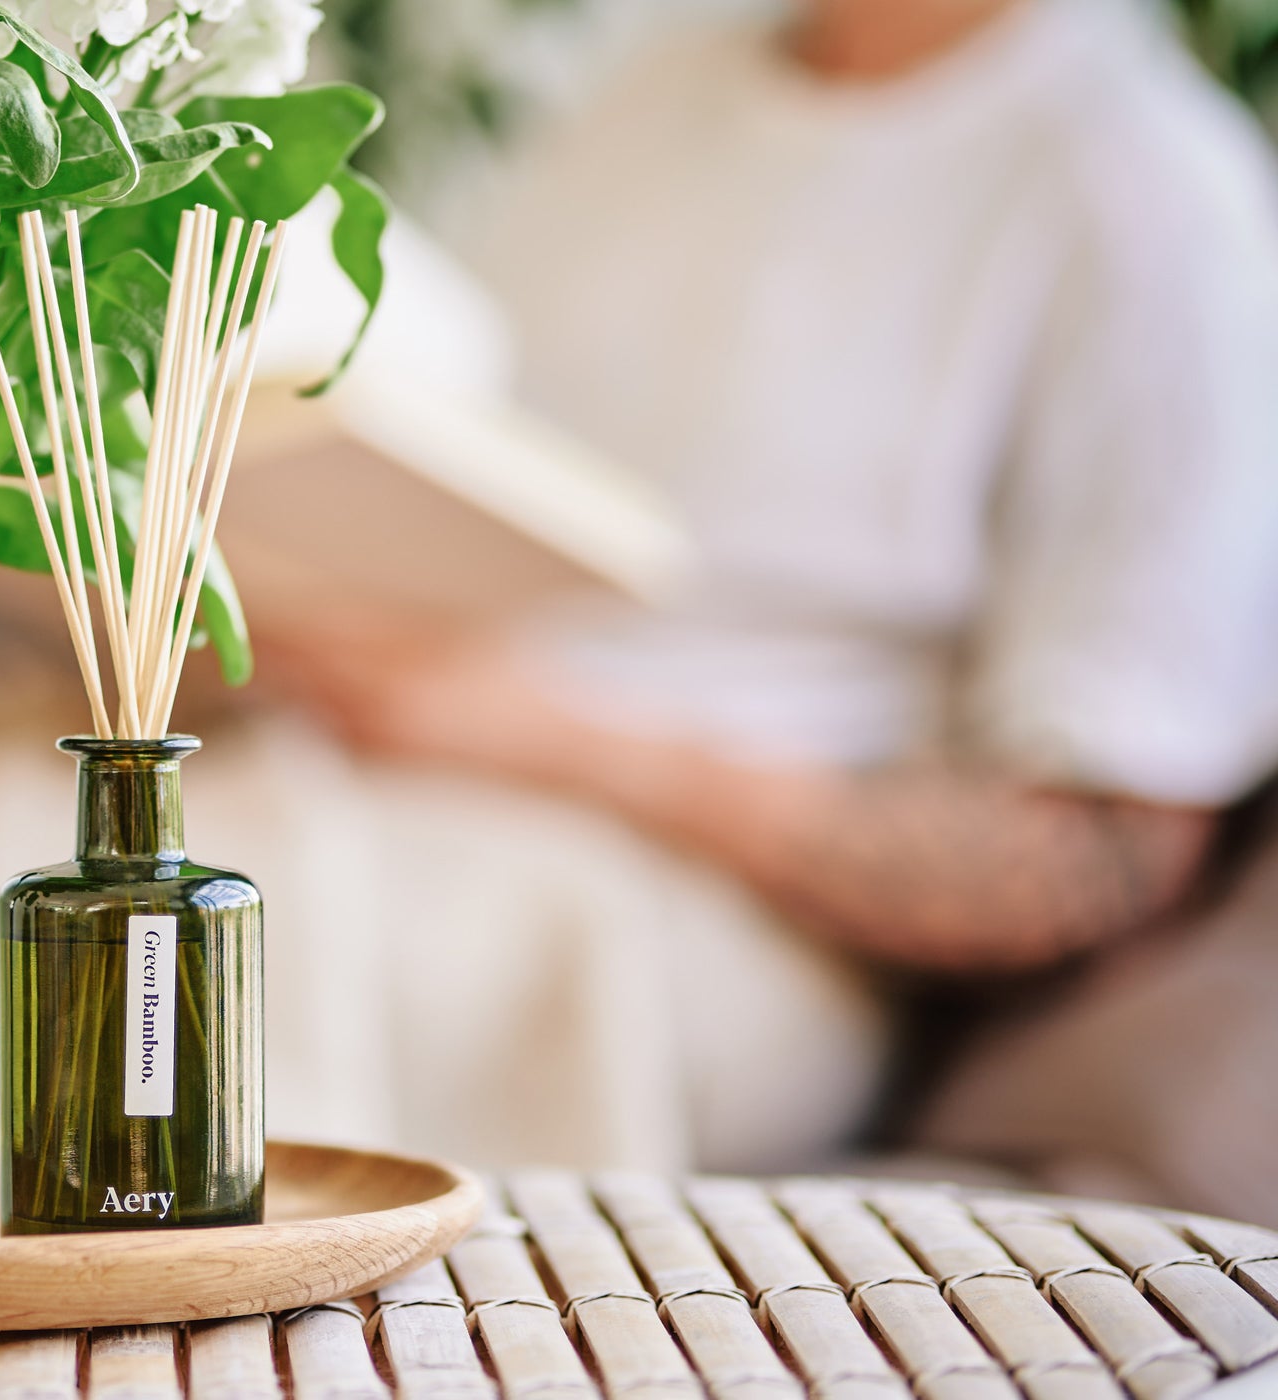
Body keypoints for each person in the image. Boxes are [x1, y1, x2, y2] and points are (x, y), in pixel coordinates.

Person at [211, 0, 1278, 1171]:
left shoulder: (1145, 195)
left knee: (250, 941)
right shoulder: (650, 89)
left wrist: (545, 733)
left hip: (716, 904)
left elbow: (1099, 856)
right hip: (398, 745)